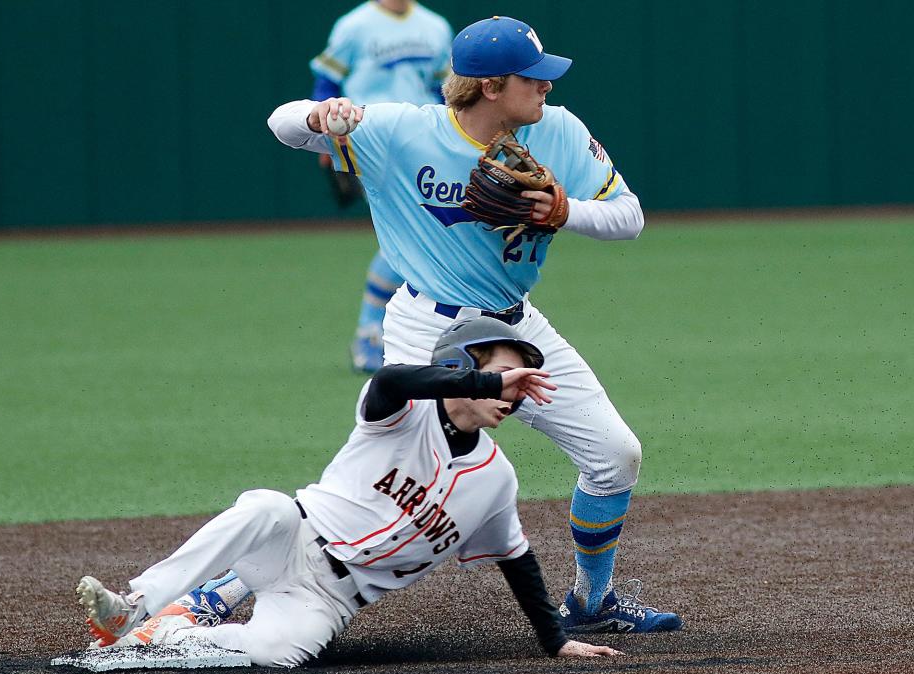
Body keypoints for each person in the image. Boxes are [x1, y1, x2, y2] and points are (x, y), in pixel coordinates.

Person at [267, 15, 683, 633]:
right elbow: (281, 123)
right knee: (383, 486)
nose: (546, 87)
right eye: (532, 78)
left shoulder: (561, 131)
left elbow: (630, 216)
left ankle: (591, 604)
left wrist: (569, 211)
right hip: (425, 327)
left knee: (615, 454)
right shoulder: (402, 133)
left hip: (518, 330)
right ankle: (216, 594)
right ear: (490, 86)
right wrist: (321, 118)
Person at [76, 317, 623, 667]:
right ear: (460, 369)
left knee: (279, 654)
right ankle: (134, 606)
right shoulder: (399, 408)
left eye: (524, 382)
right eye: (508, 374)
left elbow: (516, 559)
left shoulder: (496, 479)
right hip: (292, 539)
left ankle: (167, 635)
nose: (515, 391)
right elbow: (391, 380)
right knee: (264, 506)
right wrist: (483, 382)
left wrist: (555, 640)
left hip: (327, 601)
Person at [309, 0, 453, 373]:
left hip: (423, 141)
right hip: (370, 138)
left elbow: (445, 90)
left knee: (420, 233)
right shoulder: (354, 25)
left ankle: (377, 331)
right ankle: (372, 331)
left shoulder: (435, 27)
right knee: (415, 232)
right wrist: (325, 138)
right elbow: (327, 82)